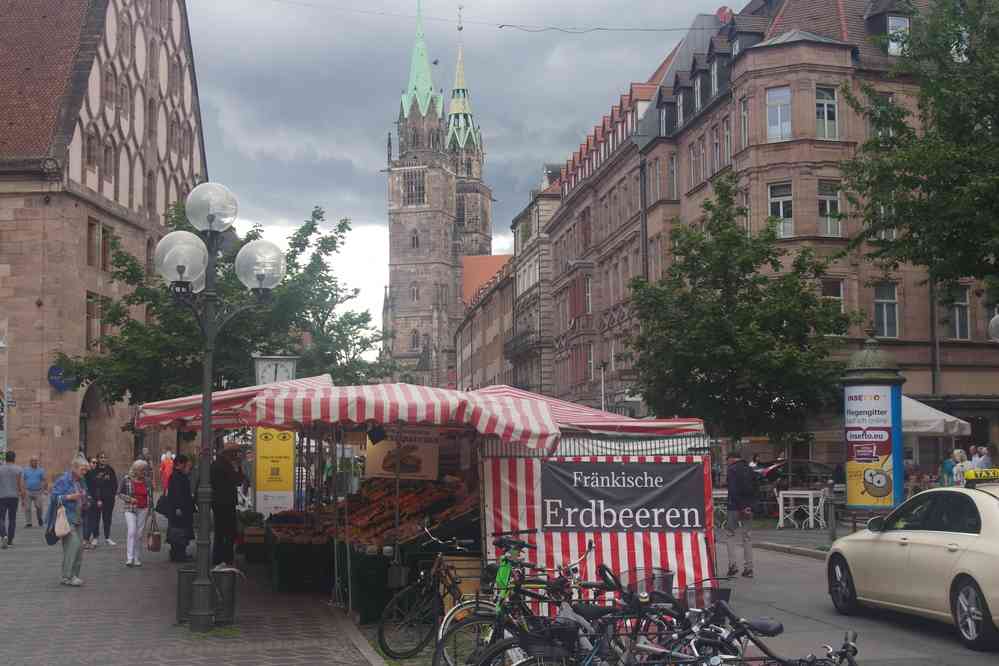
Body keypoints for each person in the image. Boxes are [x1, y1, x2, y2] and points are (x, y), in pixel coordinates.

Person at [49, 455, 90, 586]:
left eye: (86, 470)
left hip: (79, 518)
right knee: (74, 545)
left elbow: (85, 495)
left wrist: (86, 500)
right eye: (83, 470)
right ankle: (68, 576)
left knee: (79, 548)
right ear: (75, 468)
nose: (85, 472)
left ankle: (73, 575)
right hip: (67, 518)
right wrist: (69, 496)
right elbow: (54, 498)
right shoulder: (63, 480)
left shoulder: (81, 481)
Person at [210, 443, 245, 566]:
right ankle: (224, 558)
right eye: (234, 453)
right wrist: (238, 467)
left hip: (221, 503)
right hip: (224, 503)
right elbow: (238, 480)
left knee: (223, 532)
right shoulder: (222, 465)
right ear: (228, 454)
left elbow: (239, 480)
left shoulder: (222, 464)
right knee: (227, 532)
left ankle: (221, 557)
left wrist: (238, 467)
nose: (236, 455)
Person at [724, 450, 757, 579]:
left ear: (731, 459)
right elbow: (756, 489)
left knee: (730, 534)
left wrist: (741, 506)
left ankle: (733, 565)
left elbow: (733, 490)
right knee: (747, 537)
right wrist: (750, 506)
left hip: (734, 507)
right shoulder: (750, 469)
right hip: (748, 508)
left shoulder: (732, 470)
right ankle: (749, 569)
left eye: (727, 461)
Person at [118, 460, 151, 567]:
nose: (144, 472)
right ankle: (129, 558)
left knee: (139, 534)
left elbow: (150, 495)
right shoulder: (127, 479)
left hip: (144, 509)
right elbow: (119, 493)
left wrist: (151, 509)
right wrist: (130, 499)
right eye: (141, 470)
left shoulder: (147, 481)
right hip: (130, 508)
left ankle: (137, 558)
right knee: (132, 531)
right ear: (135, 470)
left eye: (145, 470)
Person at [84, 453, 118, 547]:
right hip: (97, 499)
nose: (103, 459)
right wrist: (97, 498)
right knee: (96, 518)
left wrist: (113, 495)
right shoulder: (94, 470)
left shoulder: (110, 470)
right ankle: (95, 537)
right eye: (101, 457)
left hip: (109, 499)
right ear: (98, 459)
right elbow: (94, 485)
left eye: (105, 457)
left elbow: (115, 483)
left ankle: (107, 537)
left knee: (107, 518)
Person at [167, 454, 195, 562]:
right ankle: (179, 555)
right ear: (180, 464)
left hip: (179, 509)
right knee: (179, 532)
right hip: (179, 509)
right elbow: (177, 493)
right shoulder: (176, 476)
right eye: (185, 463)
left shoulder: (178, 475)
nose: (187, 465)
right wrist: (178, 507)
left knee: (179, 532)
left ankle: (178, 554)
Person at [0, 451, 25, 548]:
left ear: (5, 458)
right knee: (12, 519)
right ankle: (10, 540)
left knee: (1, 517)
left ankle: (3, 535)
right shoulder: (18, 469)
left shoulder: (0, 469)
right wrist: (23, 498)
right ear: (14, 458)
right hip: (14, 497)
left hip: (1, 497)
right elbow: (20, 485)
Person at [22, 455, 47, 528]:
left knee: (39, 507)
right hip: (28, 491)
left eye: (36, 461)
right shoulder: (26, 470)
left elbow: (44, 480)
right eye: (33, 460)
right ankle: (28, 522)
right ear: (30, 462)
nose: (34, 462)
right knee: (27, 508)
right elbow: (23, 480)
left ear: (37, 462)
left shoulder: (41, 470)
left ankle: (39, 518)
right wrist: (23, 490)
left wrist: (44, 490)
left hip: (38, 491)